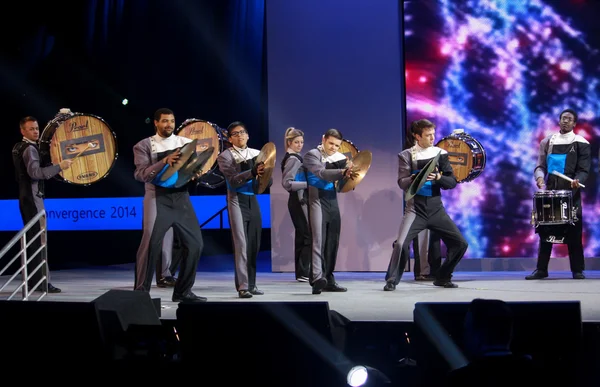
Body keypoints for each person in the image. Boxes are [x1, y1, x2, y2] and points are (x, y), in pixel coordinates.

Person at [383, 119, 468, 290]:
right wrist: (414, 178)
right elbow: (402, 182)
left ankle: (443, 276)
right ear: (417, 136)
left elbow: (451, 182)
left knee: (460, 243)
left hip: (436, 209)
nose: (432, 138)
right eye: (428, 135)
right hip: (416, 209)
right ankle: (392, 280)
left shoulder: (440, 154)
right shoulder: (407, 155)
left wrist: (438, 178)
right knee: (400, 244)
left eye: (433, 134)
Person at [133, 108, 206, 303]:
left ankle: (183, 292)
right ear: (155, 123)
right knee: (149, 246)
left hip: (181, 198)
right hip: (157, 197)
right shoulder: (143, 146)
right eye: (165, 121)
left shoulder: (185, 144)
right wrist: (164, 161)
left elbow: (190, 171)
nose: (169, 125)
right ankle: (140, 294)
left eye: (172, 121)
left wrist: (196, 175)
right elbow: (140, 174)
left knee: (195, 244)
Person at [526, 108, 590, 280]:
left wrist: (577, 180)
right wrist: (540, 178)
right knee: (546, 230)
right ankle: (541, 269)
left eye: (569, 119)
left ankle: (577, 270)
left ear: (574, 123)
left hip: (571, 192)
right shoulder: (547, 141)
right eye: (563, 118)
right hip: (551, 192)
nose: (565, 121)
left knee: (574, 232)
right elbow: (540, 166)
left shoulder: (581, 143)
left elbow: (584, 170)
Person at [11, 116, 72, 294]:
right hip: (33, 198)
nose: (36, 131)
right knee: (39, 242)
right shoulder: (29, 148)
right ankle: (43, 283)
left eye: (37, 128)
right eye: (31, 129)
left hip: (24, 197)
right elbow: (36, 173)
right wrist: (60, 166)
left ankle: (34, 282)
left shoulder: (18, 146)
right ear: (23, 131)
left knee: (33, 242)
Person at [217, 121, 271, 298]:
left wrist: (265, 175)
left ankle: (252, 284)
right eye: (235, 133)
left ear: (248, 135)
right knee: (241, 244)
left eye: (242, 132)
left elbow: (268, 182)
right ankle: (242, 286)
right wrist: (252, 172)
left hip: (252, 200)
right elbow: (233, 180)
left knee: (254, 244)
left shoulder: (258, 154)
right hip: (236, 201)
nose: (240, 135)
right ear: (230, 139)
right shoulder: (225, 156)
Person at [303, 128, 356, 294]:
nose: (333, 147)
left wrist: (350, 173)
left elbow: (344, 183)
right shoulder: (311, 155)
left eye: (337, 145)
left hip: (332, 200)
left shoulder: (340, 157)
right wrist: (343, 172)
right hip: (316, 199)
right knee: (319, 241)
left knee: (332, 241)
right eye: (331, 143)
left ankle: (329, 279)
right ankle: (317, 279)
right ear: (323, 139)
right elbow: (322, 173)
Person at [445, 298, 541, 387]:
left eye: (467, 329)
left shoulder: (459, 380)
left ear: (477, 333)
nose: (465, 336)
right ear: (510, 332)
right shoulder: (537, 372)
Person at [281, 127, 311, 282]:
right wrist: (308, 184)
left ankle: (301, 273)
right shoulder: (293, 159)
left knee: (302, 235)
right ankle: (304, 272)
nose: (300, 145)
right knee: (307, 235)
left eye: (301, 142)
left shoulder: (294, 157)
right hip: (298, 200)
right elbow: (287, 183)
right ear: (289, 142)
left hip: (297, 200)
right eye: (297, 142)